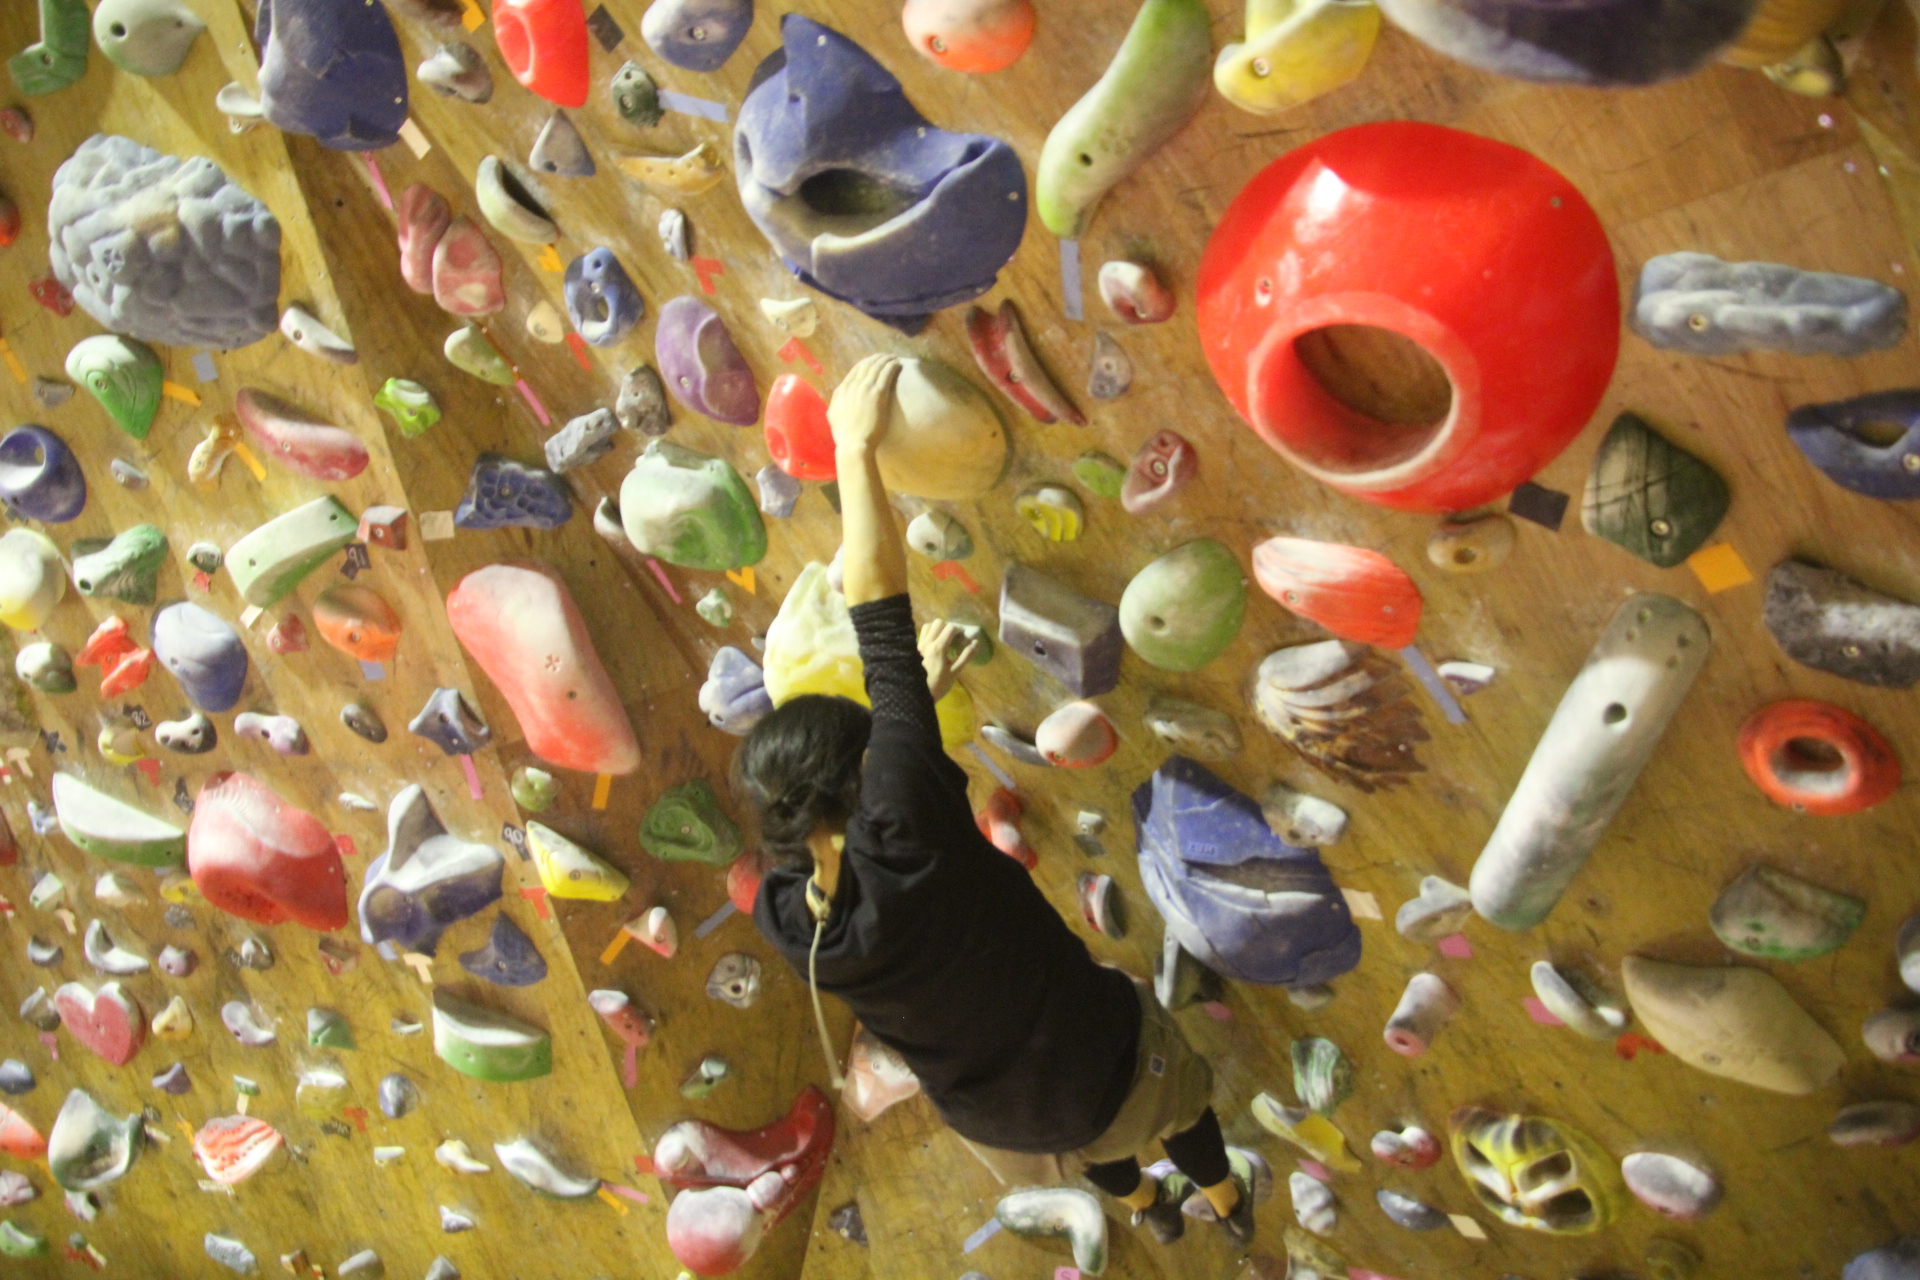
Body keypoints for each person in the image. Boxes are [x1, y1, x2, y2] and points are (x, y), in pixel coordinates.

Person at [738, 353, 1256, 1246]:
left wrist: (905, 720)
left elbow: (853, 809)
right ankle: (1228, 1202)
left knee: (1102, 1152)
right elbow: (877, 604)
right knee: (1180, 1111)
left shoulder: (790, 920)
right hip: (1094, 1058)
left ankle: (1150, 1212)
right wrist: (853, 447)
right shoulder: (902, 822)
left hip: (1006, 1122)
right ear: (867, 773)